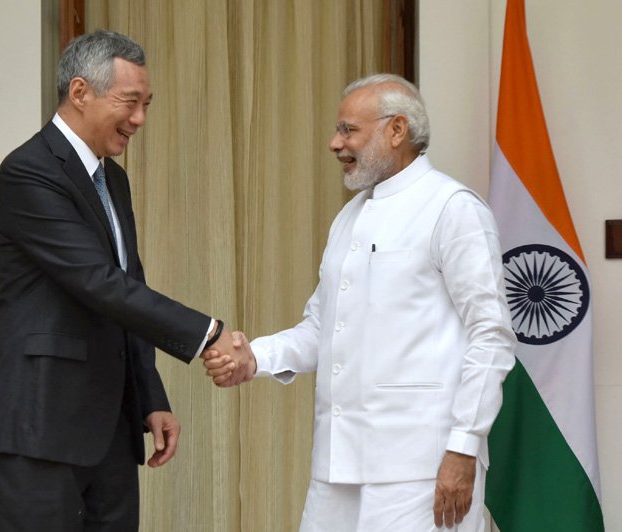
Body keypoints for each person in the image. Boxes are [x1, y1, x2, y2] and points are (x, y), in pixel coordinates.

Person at [203, 73, 517, 531]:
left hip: (421, 467)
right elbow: (321, 327)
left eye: (349, 129)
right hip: (337, 465)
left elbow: (491, 336)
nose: (335, 143)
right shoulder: (350, 216)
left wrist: (464, 446)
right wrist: (257, 357)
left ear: (397, 131)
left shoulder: (453, 208)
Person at [0, 30, 244, 531]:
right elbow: (98, 283)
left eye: (147, 104)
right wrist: (209, 333)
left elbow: (126, 287)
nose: (140, 119)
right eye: (130, 102)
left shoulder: (111, 178)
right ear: (80, 93)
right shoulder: (28, 171)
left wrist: (150, 398)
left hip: (109, 430)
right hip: (38, 426)